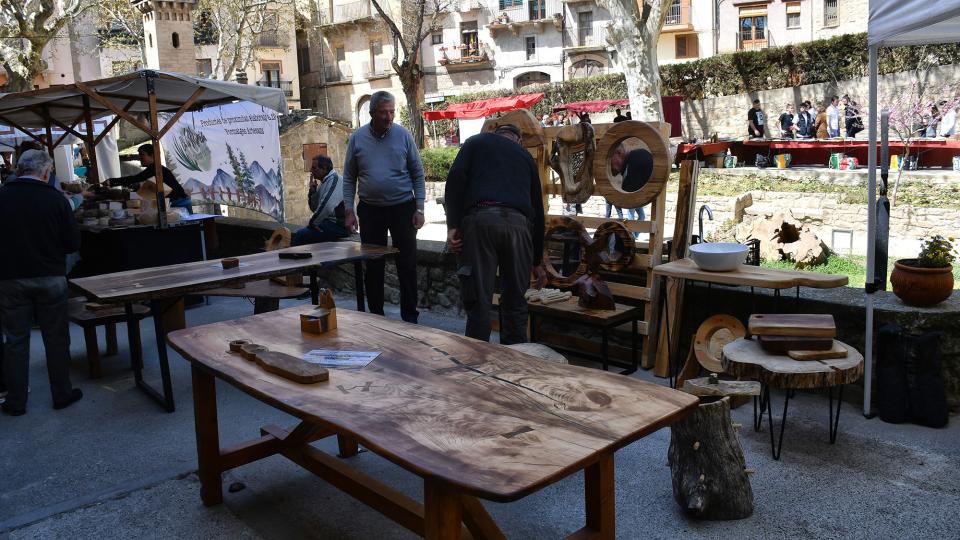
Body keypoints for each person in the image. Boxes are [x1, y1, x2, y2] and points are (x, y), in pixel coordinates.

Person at [444, 124, 546, 344]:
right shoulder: (525, 157)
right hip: (519, 226)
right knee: (516, 302)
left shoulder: (476, 142)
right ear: (518, 140)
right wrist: (537, 260)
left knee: (479, 301)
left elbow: (455, 179)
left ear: (496, 135)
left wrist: (452, 224)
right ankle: (514, 363)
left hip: (481, 221)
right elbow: (538, 210)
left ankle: (477, 362)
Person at [0, 150, 82, 416]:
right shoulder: (55, 199)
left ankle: (15, 401)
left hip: (10, 278)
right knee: (56, 338)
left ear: (20, 169)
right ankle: (62, 394)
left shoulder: (2, 196)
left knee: (15, 340)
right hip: (51, 277)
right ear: (46, 172)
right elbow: (72, 243)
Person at [343, 91, 425, 324]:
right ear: (371, 113)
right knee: (373, 265)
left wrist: (419, 208)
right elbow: (349, 177)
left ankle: (410, 317)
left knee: (407, 265)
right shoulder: (358, 138)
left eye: (392, 112)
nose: (389, 117)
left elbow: (418, 174)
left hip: (403, 208)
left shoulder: (403, 136)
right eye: (383, 113)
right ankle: (376, 317)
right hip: (371, 210)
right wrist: (349, 210)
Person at [106, 144, 192, 211]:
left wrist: (112, 181)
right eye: (139, 154)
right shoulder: (154, 169)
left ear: (152, 155)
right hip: (176, 202)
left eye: (142, 154)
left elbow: (135, 178)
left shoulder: (155, 169)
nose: (139, 157)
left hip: (179, 203)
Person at [292, 155, 348, 246]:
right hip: (327, 223)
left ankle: (294, 258)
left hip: (339, 226)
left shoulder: (336, 180)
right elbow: (315, 208)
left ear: (324, 168)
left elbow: (327, 206)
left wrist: (312, 223)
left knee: (300, 235)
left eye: (314, 168)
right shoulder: (324, 182)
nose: (311, 170)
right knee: (304, 235)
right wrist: (312, 192)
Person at [611, 143, 652, 222]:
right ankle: (633, 234)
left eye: (610, 158)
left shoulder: (636, 160)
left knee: (635, 217)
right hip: (638, 197)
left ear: (619, 153)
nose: (609, 164)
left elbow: (627, 192)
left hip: (636, 197)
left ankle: (632, 234)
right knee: (640, 216)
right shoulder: (637, 156)